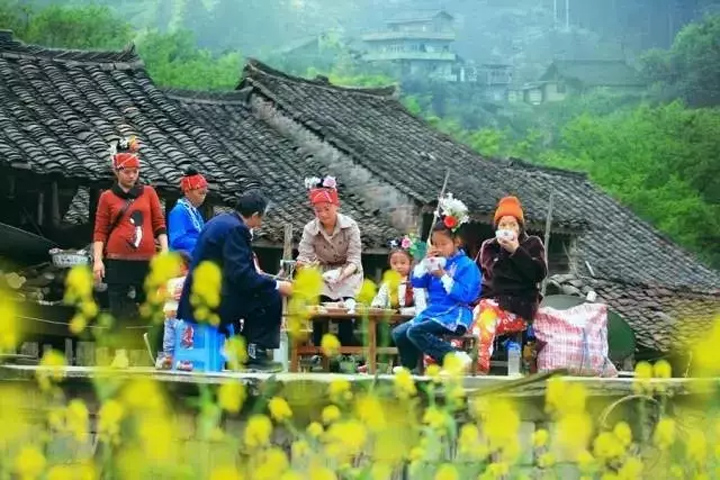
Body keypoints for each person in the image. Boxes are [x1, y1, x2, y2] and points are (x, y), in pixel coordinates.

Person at [176, 190, 293, 371]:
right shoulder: (237, 230)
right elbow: (241, 275)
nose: (261, 223)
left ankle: (242, 350)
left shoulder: (219, 221)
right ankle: (254, 354)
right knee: (269, 297)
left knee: (257, 294)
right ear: (255, 215)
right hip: (212, 302)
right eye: (262, 217)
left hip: (196, 298)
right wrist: (278, 285)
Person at [92, 136, 168, 365]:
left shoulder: (149, 193)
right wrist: (98, 260)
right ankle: (119, 354)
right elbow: (100, 231)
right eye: (127, 172)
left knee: (153, 305)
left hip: (146, 259)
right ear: (117, 171)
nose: (132, 176)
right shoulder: (107, 197)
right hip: (117, 259)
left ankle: (158, 353)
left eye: (135, 172)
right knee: (117, 308)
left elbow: (159, 223)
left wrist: (165, 251)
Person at [391, 195, 481, 373]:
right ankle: (410, 369)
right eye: (435, 244)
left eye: (443, 244)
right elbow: (418, 282)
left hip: (455, 314)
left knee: (416, 331)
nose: (438, 248)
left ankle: (454, 357)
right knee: (399, 332)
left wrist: (443, 276)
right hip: (433, 313)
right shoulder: (437, 262)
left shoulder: (467, 266)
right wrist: (425, 263)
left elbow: (466, 295)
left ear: (456, 242)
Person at [472, 196, 548, 373]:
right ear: (497, 228)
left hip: (518, 308)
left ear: (519, 228)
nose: (507, 229)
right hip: (487, 305)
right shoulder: (488, 247)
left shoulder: (532, 244)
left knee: (485, 312)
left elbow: (539, 273)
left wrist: (516, 251)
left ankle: (479, 364)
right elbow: (474, 275)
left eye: (512, 225)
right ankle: (453, 362)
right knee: (463, 316)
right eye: (503, 225)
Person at [297, 175, 362, 346]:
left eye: (327, 209)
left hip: (347, 271)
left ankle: (346, 352)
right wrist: (306, 268)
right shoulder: (310, 229)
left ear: (335, 206)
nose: (323, 214)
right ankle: (319, 349)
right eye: (318, 210)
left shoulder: (351, 226)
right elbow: (303, 257)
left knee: (345, 310)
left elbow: (354, 259)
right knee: (319, 309)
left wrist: (341, 274)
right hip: (322, 272)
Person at [371, 235, 427, 316]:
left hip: (411, 319)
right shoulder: (387, 284)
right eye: (394, 263)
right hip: (391, 320)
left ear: (410, 263)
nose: (399, 266)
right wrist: (378, 306)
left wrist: (403, 311)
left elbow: (421, 308)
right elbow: (378, 303)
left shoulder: (415, 283)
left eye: (403, 263)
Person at [168, 168, 208, 257]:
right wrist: (201, 243)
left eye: (205, 193)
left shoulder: (195, 212)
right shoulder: (178, 211)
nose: (203, 197)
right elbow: (177, 240)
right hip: (181, 259)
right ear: (187, 191)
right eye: (201, 193)